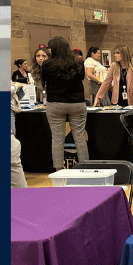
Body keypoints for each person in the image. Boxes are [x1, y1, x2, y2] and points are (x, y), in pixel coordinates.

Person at [40, 36, 89, 172]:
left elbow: (44, 81)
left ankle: (58, 170)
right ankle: (85, 168)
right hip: (77, 103)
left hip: (55, 103)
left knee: (57, 139)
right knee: (79, 137)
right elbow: (81, 78)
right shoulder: (79, 62)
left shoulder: (47, 64)